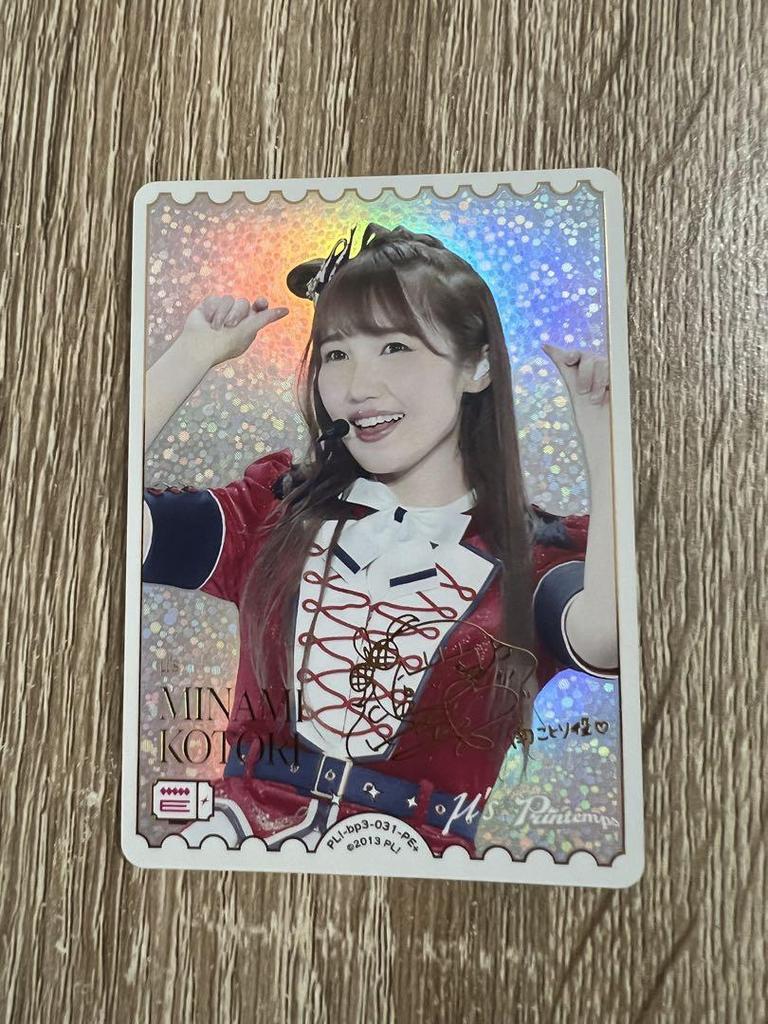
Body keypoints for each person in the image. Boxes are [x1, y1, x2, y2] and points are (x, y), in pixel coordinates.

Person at [141, 222, 619, 857]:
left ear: (477, 366)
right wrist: (191, 354)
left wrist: (607, 438)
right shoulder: (274, 513)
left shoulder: (533, 557)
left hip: (417, 876)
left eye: (394, 347)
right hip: (238, 849)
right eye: (336, 353)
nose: (357, 388)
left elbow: (607, 635)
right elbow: (98, 522)